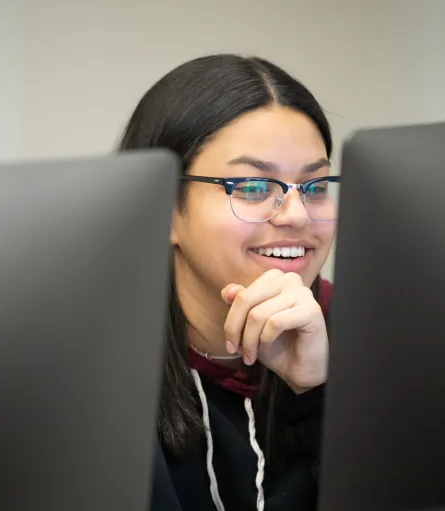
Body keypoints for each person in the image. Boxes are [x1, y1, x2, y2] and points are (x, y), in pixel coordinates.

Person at [118, 54, 336, 511]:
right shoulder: (99, 366)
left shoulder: (372, 338)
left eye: (315, 186)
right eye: (254, 187)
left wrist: (318, 393)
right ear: (163, 206)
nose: (297, 215)